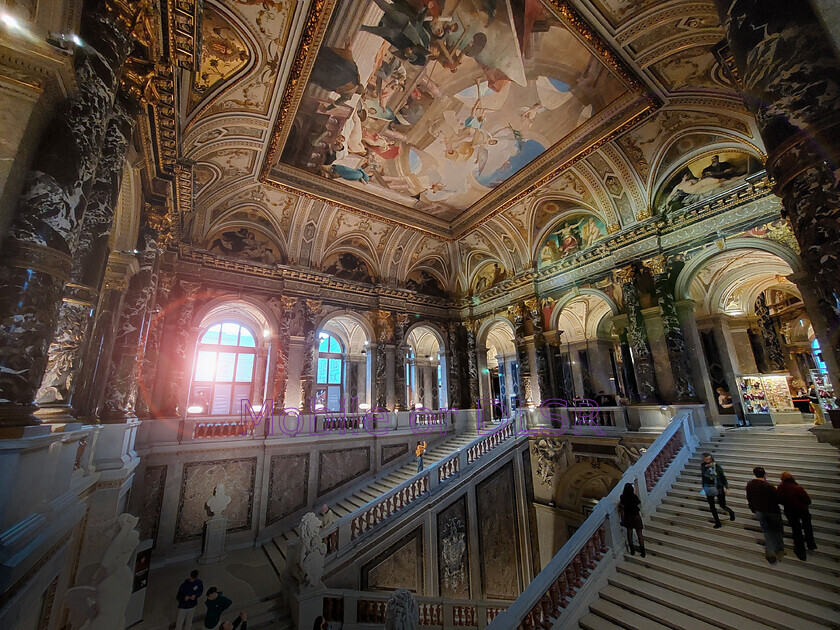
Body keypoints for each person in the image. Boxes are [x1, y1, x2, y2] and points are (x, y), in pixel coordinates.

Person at [746, 466, 785, 565]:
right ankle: (779, 549)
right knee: (777, 529)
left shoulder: (750, 485)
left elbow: (749, 498)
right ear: (764, 474)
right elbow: (778, 499)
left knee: (767, 531)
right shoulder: (768, 486)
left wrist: (753, 509)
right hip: (772, 511)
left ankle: (771, 551)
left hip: (759, 511)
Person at [776, 472, 817, 560]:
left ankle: (800, 551)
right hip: (803, 510)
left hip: (790, 511)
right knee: (807, 526)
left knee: (796, 530)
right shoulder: (797, 488)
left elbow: (779, 499)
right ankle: (810, 543)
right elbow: (808, 500)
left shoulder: (780, 487)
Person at [700, 453, 735, 528]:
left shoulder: (717, 466)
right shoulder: (703, 466)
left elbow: (723, 477)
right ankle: (717, 522)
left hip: (718, 488)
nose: (707, 461)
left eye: (708, 459)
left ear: (711, 458)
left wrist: (727, 488)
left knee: (722, 505)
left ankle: (731, 512)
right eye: (705, 459)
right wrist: (704, 487)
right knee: (712, 506)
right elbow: (703, 477)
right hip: (708, 488)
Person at [617, 483, 645, 557]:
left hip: (628, 516)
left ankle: (632, 551)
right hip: (636, 516)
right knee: (639, 534)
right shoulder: (634, 496)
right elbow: (638, 502)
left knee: (629, 533)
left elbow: (622, 505)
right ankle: (643, 552)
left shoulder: (622, 497)